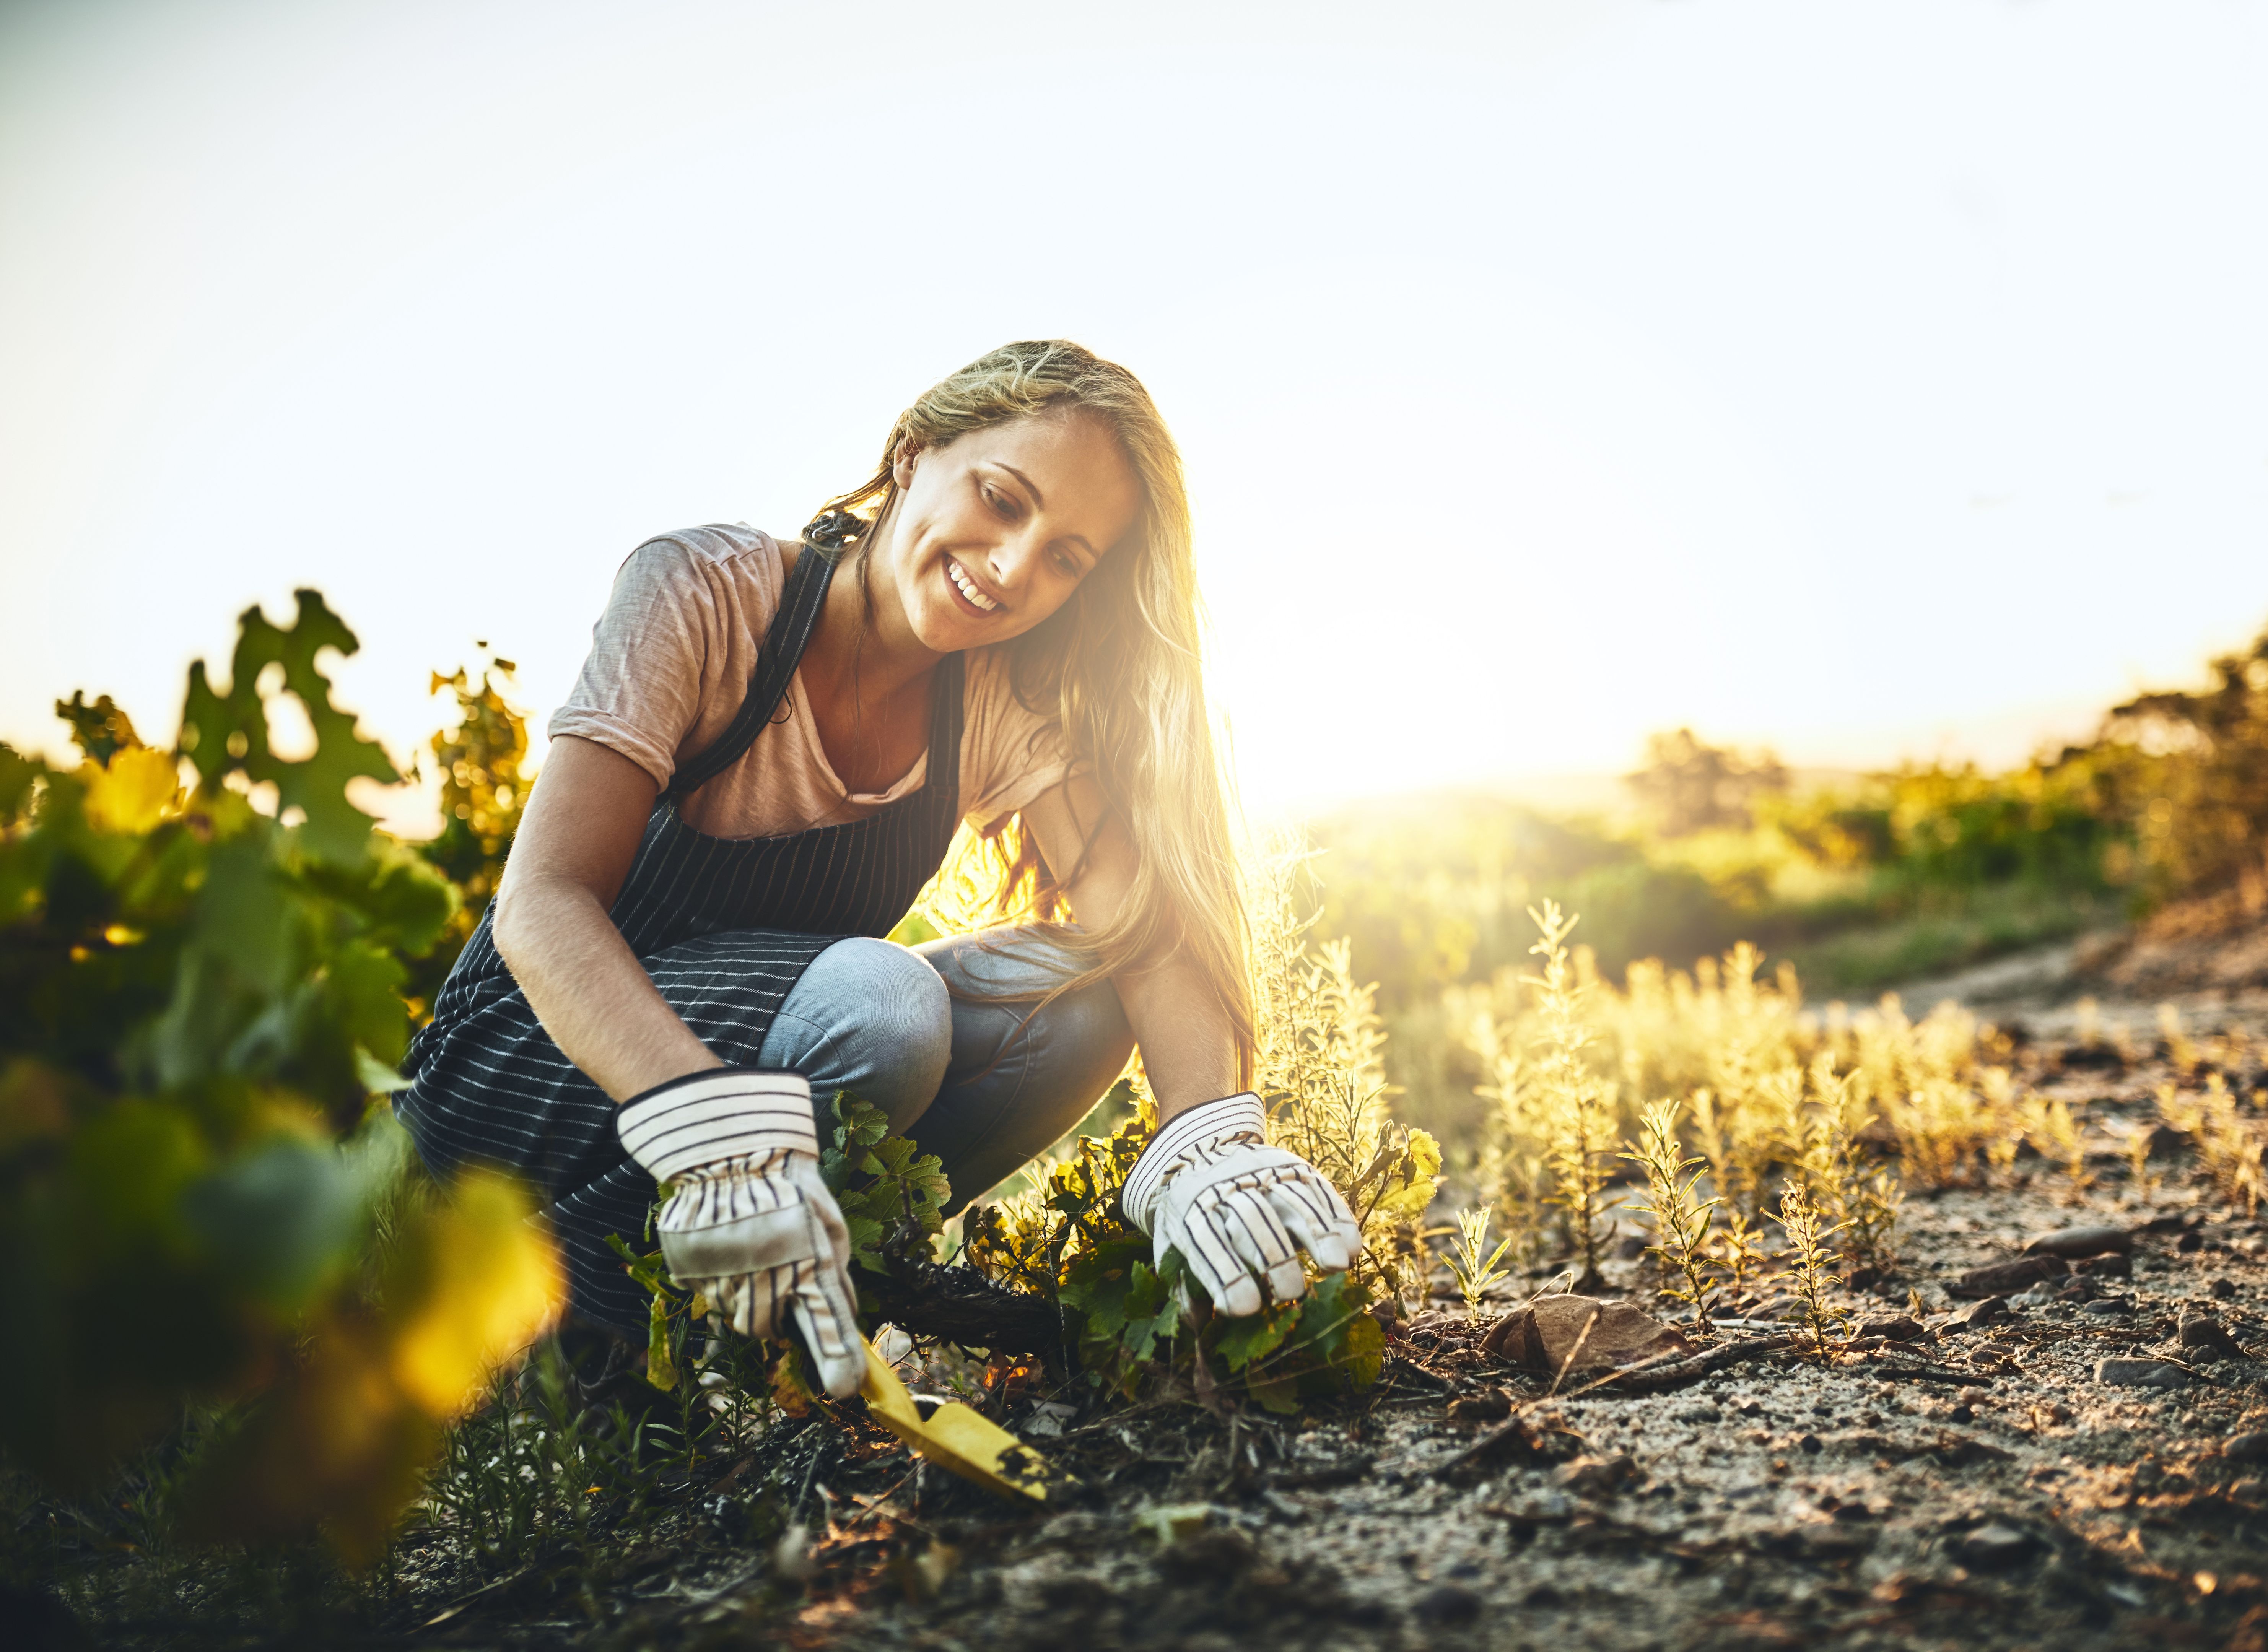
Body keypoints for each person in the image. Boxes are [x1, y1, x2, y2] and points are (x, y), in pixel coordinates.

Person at [399, 341, 1361, 1398]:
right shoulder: (707, 593)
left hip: (740, 1122)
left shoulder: (995, 704)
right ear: (911, 453)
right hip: (509, 1078)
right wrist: (711, 1126)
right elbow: (542, 906)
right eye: (1001, 500)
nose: (1012, 566)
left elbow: (1144, 929)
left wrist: (1204, 1136)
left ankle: (762, 1336)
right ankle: (558, 1349)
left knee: (1083, 998)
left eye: (1066, 557)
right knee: (883, 1005)